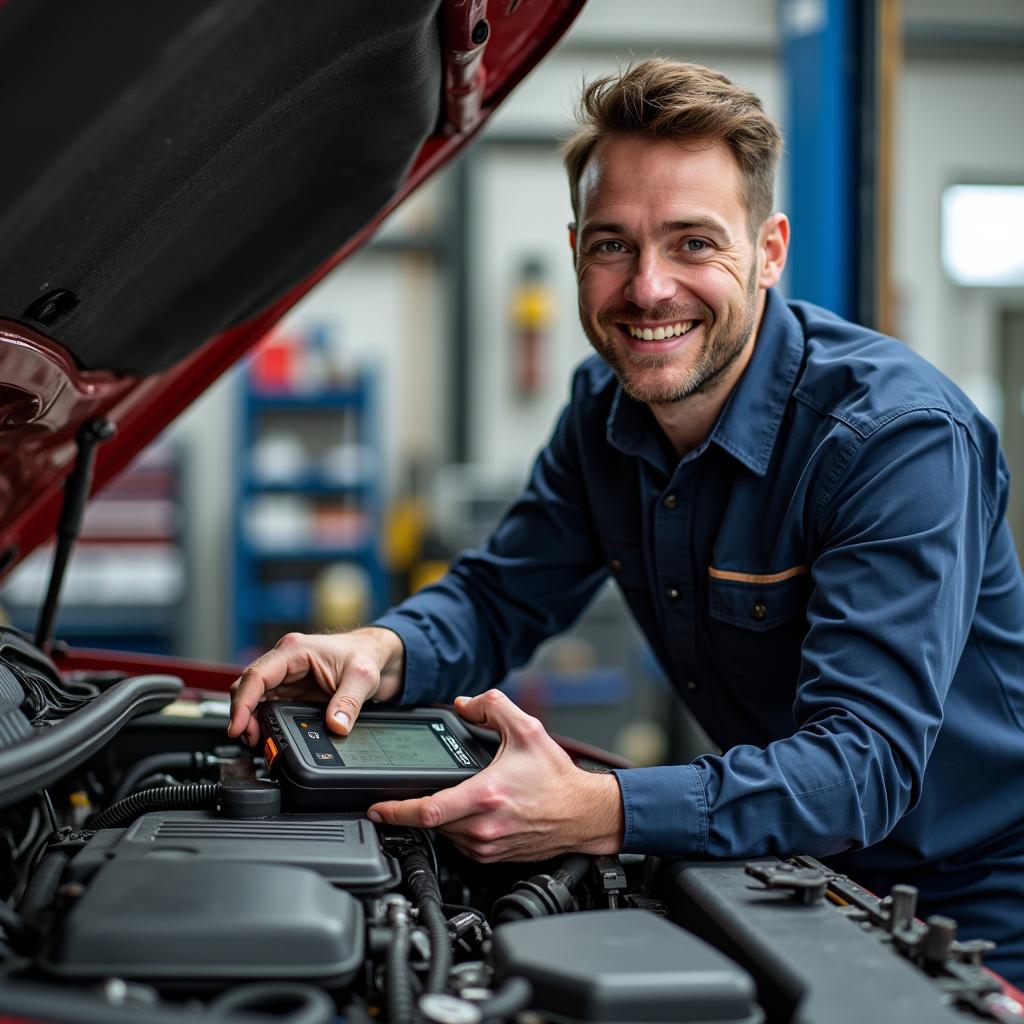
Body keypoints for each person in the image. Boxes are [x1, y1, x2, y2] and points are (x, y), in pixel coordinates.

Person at [229, 60, 1024, 984]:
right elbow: (497, 598)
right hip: (790, 874)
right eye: (614, 246)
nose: (648, 289)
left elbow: (861, 766)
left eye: (693, 244)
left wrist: (600, 806)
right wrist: (379, 647)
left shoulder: (897, 442)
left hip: (975, 906)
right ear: (575, 251)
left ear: (768, 252)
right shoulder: (603, 412)